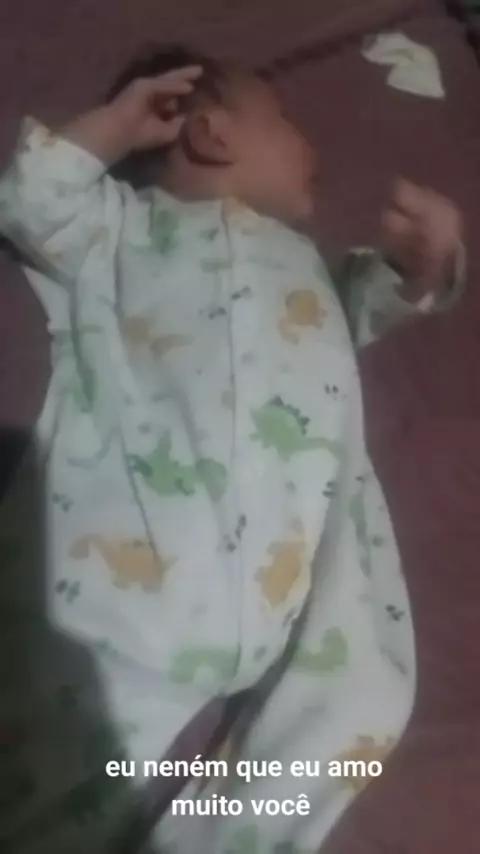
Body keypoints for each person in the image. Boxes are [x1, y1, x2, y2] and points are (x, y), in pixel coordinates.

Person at [0, 45, 464, 854]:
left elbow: (371, 301)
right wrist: (115, 125)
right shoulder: (121, 226)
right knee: (67, 763)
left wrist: (425, 265)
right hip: (140, 575)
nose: (310, 143)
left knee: (362, 702)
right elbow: (31, 197)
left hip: (303, 586)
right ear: (208, 133)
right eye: (283, 118)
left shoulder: (311, 274)